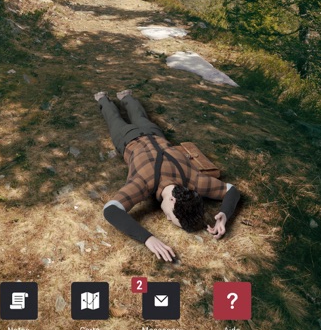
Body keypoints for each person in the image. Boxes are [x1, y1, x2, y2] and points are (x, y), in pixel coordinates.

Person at [95, 90, 241, 262]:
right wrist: (148, 239)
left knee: (128, 118)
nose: (166, 217)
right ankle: (117, 98)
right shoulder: (144, 182)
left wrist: (224, 214)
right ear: (173, 200)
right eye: (170, 217)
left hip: (149, 136)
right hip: (132, 138)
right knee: (122, 118)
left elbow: (232, 190)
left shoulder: (195, 182)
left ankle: (108, 99)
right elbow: (110, 210)